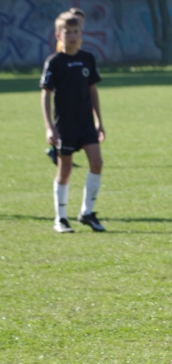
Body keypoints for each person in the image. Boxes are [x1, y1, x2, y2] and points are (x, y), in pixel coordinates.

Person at [41, 12, 106, 233]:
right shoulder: (54, 62)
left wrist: (99, 120)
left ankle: (87, 213)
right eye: (67, 32)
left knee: (97, 162)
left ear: (81, 34)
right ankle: (60, 218)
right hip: (64, 126)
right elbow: (46, 95)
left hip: (86, 124)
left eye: (76, 32)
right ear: (58, 35)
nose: (72, 36)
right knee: (65, 169)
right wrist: (49, 127)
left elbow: (93, 90)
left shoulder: (88, 58)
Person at [47, 7, 87, 166]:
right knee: (64, 122)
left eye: (82, 21)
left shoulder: (78, 39)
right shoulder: (61, 50)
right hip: (64, 92)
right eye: (78, 18)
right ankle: (55, 150)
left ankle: (60, 151)